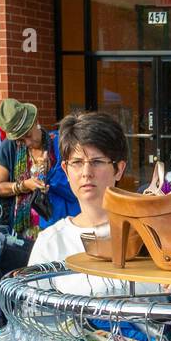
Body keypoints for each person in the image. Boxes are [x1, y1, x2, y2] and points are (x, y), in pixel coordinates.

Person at [28, 111, 128, 293]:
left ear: (119, 169)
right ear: (66, 169)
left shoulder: (145, 234)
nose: (86, 172)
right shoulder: (52, 242)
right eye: (77, 162)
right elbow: (35, 315)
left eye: (97, 161)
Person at [0, 98, 77, 238]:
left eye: (28, 135)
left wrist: (50, 172)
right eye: (20, 139)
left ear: (36, 121)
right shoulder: (10, 147)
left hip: (58, 227)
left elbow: (74, 187)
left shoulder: (59, 143)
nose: (27, 142)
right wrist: (24, 185)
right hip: (23, 232)